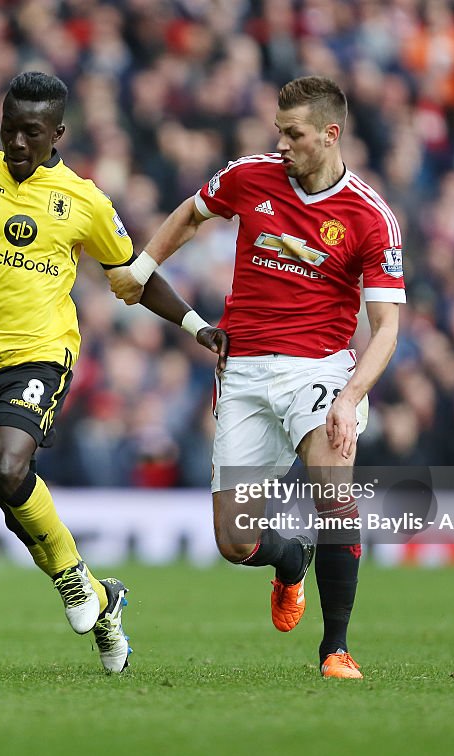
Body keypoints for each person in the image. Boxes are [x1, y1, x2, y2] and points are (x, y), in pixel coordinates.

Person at [0, 72, 228, 674]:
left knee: (5, 464)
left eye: (31, 132)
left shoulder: (85, 201)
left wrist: (197, 326)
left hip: (41, 356)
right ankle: (97, 595)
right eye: (9, 129)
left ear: (58, 134)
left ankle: (74, 584)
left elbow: (132, 277)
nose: (17, 142)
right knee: (4, 488)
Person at [106, 76, 405, 679]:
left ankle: (336, 649)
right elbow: (193, 214)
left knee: (334, 491)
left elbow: (386, 327)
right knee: (235, 541)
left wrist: (350, 398)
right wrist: (142, 267)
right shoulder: (250, 176)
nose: (283, 144)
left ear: (331, 134)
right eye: (279, 132)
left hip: (318, 371)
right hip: (241, 370)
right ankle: (289, 562)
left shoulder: (370, 218)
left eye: (294, 135)